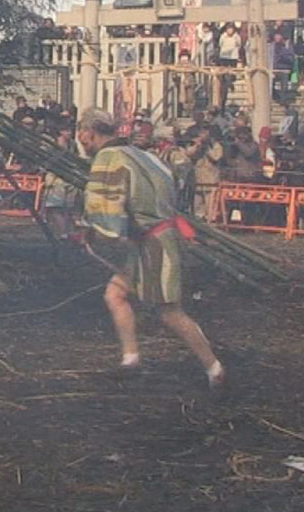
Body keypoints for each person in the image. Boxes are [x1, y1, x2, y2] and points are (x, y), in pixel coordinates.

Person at [76, 108, 225, 391]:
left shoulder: (108, 159)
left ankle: (214, 367)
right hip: (156, 235)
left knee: (170, 312)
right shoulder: (145, 156)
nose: (81, 139)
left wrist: (94, 231)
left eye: (81, 133)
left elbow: (104, 208)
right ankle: (131, 359)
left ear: (89, 133)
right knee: (115, 294)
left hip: (154, 242)